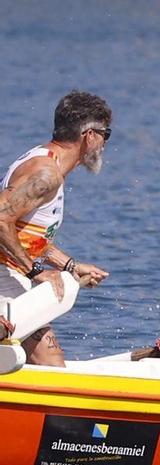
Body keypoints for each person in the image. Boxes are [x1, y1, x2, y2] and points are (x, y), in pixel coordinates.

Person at [0, 91, 113, 366]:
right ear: (89, 136)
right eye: (106, 134)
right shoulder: (46, 174)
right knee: (52, 366)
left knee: (47, 360)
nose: (105, 143)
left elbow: (25, 232)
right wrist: (35, 271)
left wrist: (70, 266)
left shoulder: (47, 164)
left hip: (9, 272)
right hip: (5, 275)